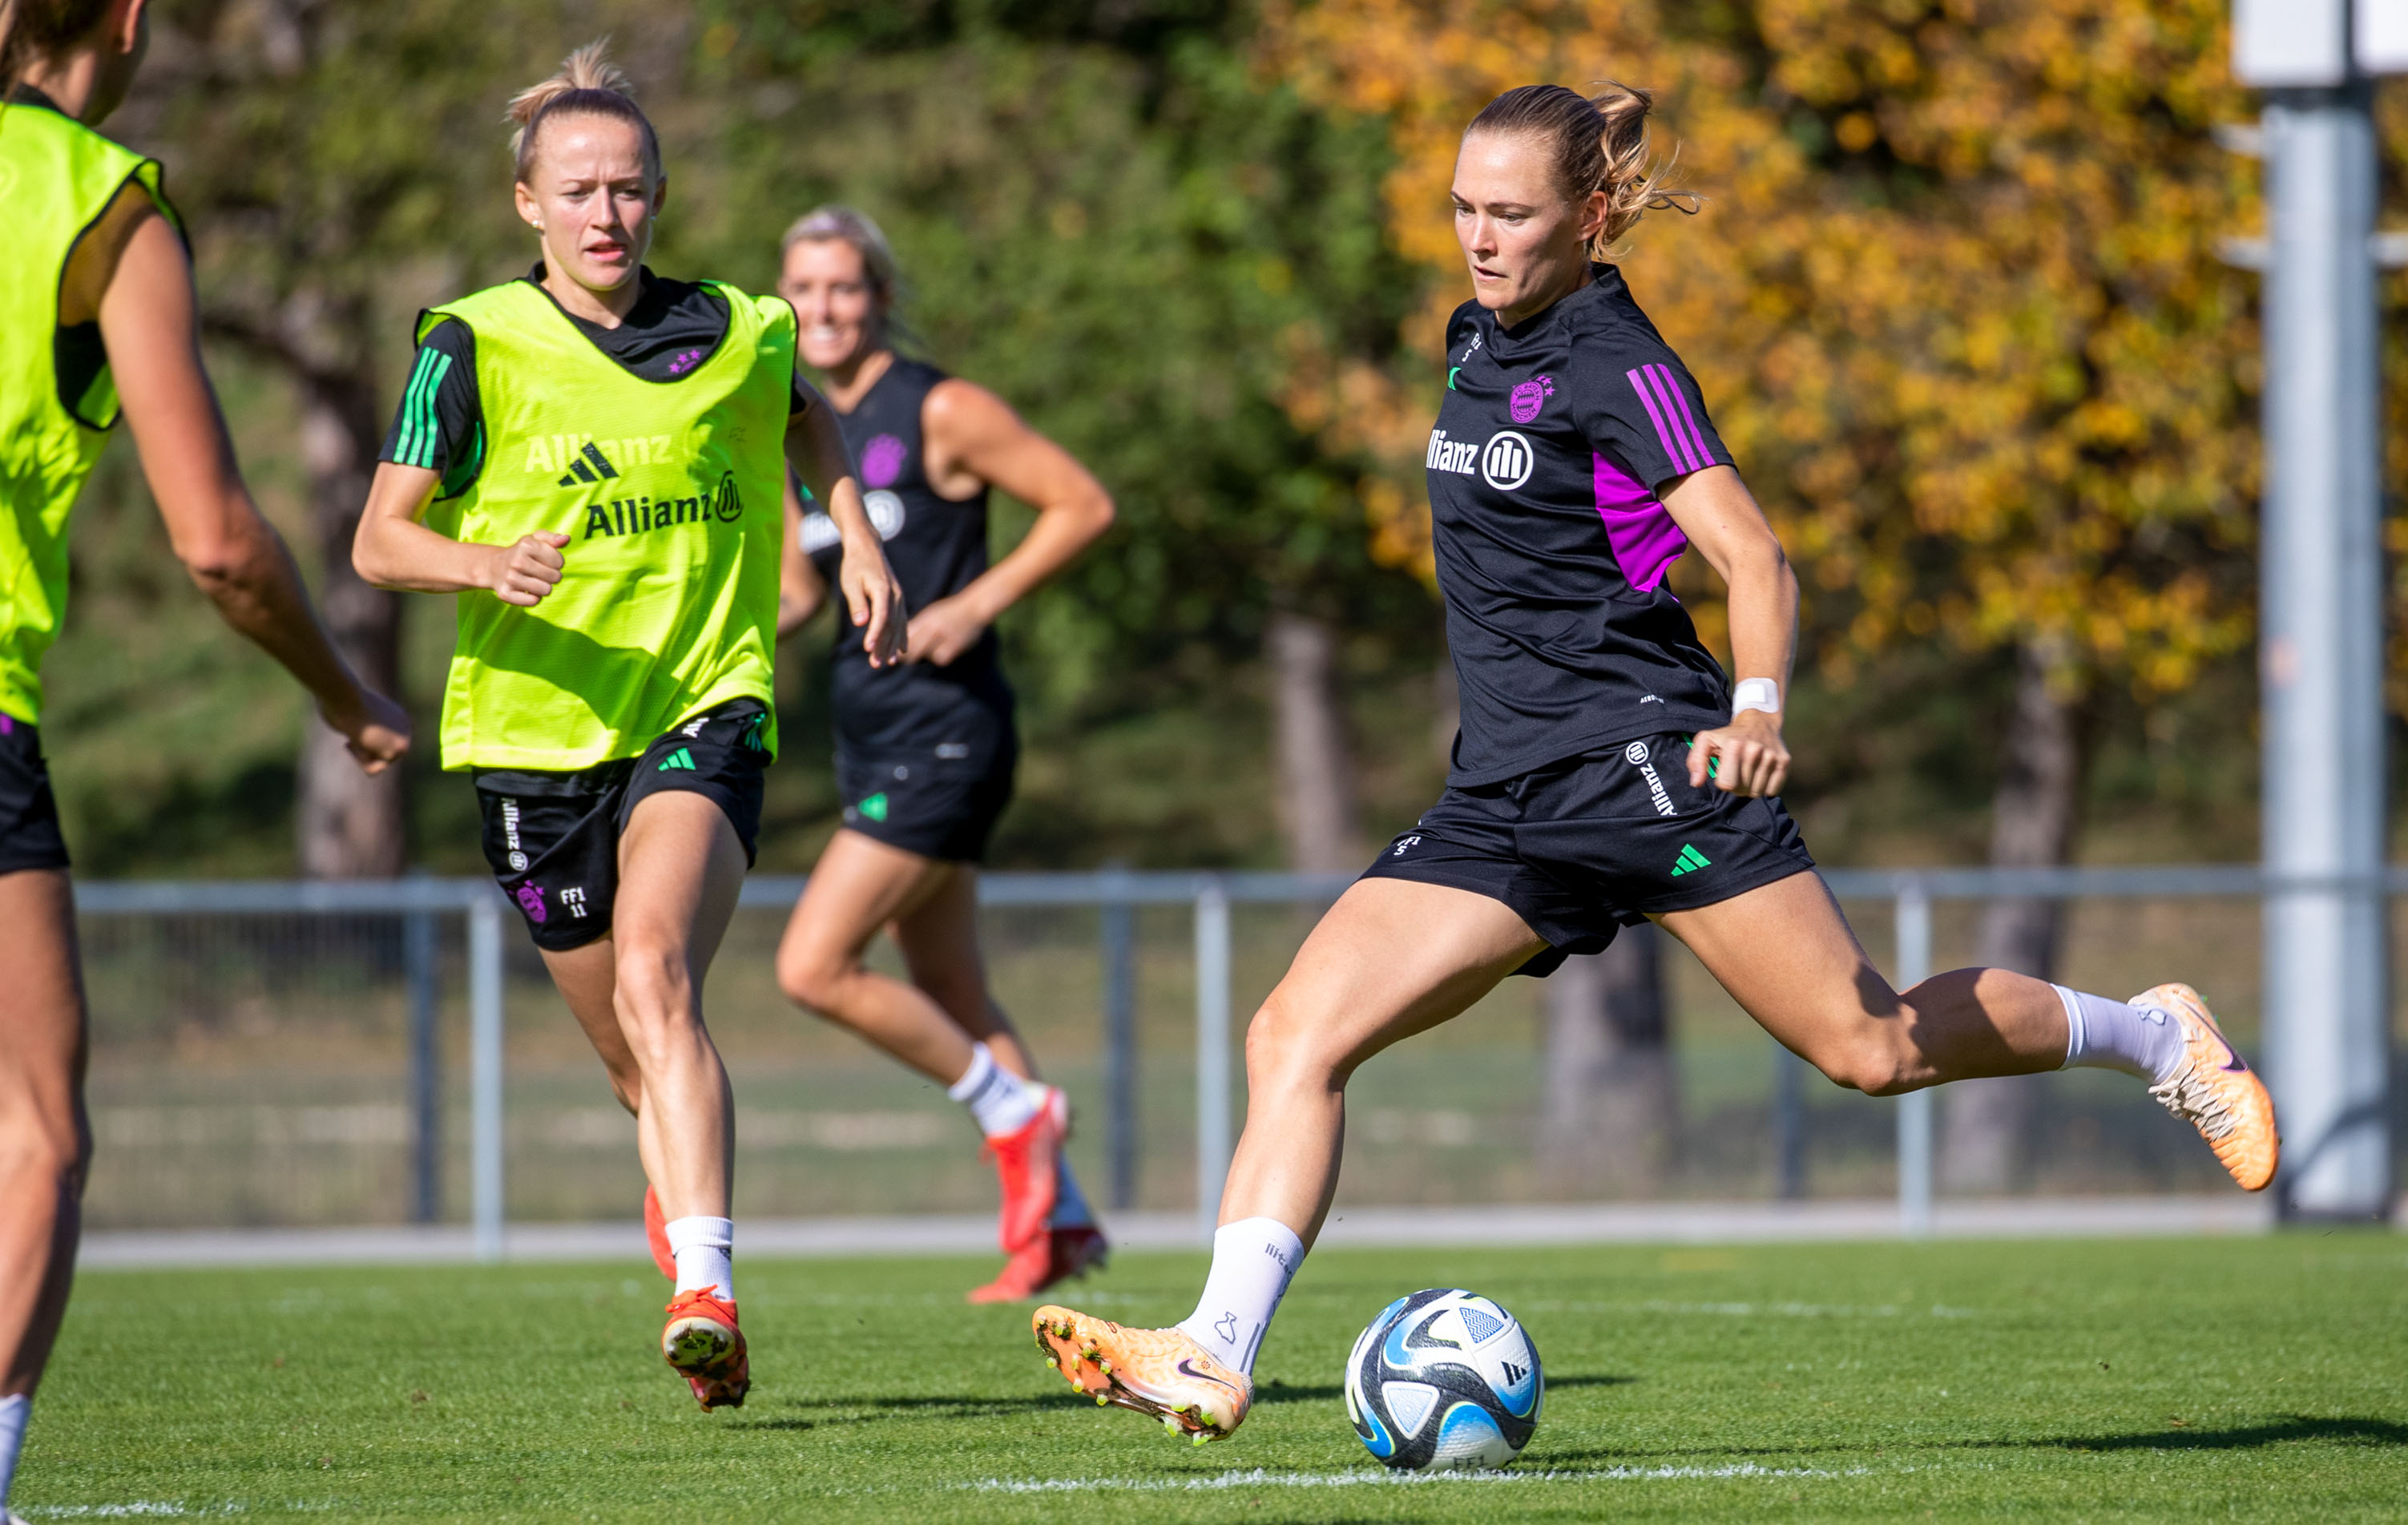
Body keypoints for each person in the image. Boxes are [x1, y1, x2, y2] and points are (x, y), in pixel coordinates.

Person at [1028, 83, 2279, 1444]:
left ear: (1592, 216)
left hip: (1644, 764)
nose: (1478, 239)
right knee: (1294, 1033)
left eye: (1510, 213)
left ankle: (2155, 1032)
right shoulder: (1472, 336)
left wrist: (1753, 707)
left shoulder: (1620, 366)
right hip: (1502, 797)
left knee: (1867, 1048)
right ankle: (1215, 1346)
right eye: (1462, 207)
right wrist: (1606, 108)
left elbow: (1753, 554)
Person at [352, 42, 900, 1412]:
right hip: (534, 742)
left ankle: (703, 1285)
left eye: (632, 189)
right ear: (527, 202)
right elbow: (378, 542)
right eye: (580, 190)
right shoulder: (466, 343)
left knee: (661, 976)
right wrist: (483, 564)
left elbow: (810, 424)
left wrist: (859, 536)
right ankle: (683, 1231)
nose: (609, 215)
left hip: (702, 707)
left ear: (659, 195)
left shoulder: (741, 327)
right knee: (627, 1062)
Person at [0, 0, 411, 1507]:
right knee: (33, 1131)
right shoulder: (97, 201)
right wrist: (343, 694)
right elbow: (221, 543)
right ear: (126, 20)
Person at [769, 208, 1117, 1303]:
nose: (823, 309)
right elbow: (789, 594)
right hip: (870, 731)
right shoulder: (799, 425)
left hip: (948, 731)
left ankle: (1015, 1112)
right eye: (804, 290)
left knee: (813, 966)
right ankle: (1057, 1221)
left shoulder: (941, 407)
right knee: (950, 982)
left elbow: (1081, 502)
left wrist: (974, 602)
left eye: (843, 288)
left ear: (876, 296)